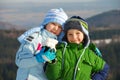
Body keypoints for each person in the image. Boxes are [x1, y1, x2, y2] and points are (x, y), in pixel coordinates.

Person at [45, 16, 109, 80]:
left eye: (78, 33)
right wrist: (53, 62)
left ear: (84, 35)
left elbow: (104, 68)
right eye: (70, 34)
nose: (74, 37)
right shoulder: (61, 52)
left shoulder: (89, 54)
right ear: (66, 36)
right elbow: (52, 77)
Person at [15, 8, 68, 80]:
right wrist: (38, 58)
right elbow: (20, 61)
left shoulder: (58, 44)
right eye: (53, 23)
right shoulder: (35, 38)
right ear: (46, 22)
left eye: (60, 27)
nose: (56, 28)